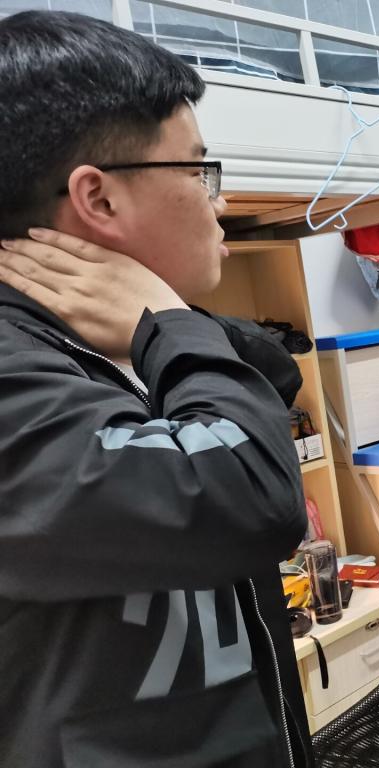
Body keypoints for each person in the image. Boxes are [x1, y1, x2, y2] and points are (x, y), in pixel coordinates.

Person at [0, 12, 312, 767]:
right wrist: (163, 320)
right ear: (100, 198)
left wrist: (161, 323)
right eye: (199, 172)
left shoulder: (98, 337)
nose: (219, 200)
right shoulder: (14, 378)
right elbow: (251, 491)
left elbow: (272, 370)